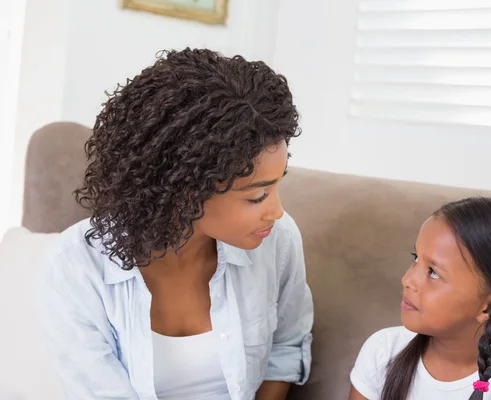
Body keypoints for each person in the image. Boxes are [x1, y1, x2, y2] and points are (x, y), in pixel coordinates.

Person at [41, 48, 313, 400]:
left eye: (278, 184)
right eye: (256, 196)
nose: (276, 211)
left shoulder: (278, 239)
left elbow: (286, 346)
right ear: (185, 191)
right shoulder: (75, 268)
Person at [349, 197, 491, 400]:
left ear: (487, 307)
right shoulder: (382, 351)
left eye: (433, 272)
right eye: (416, 258)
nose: (407, 279)